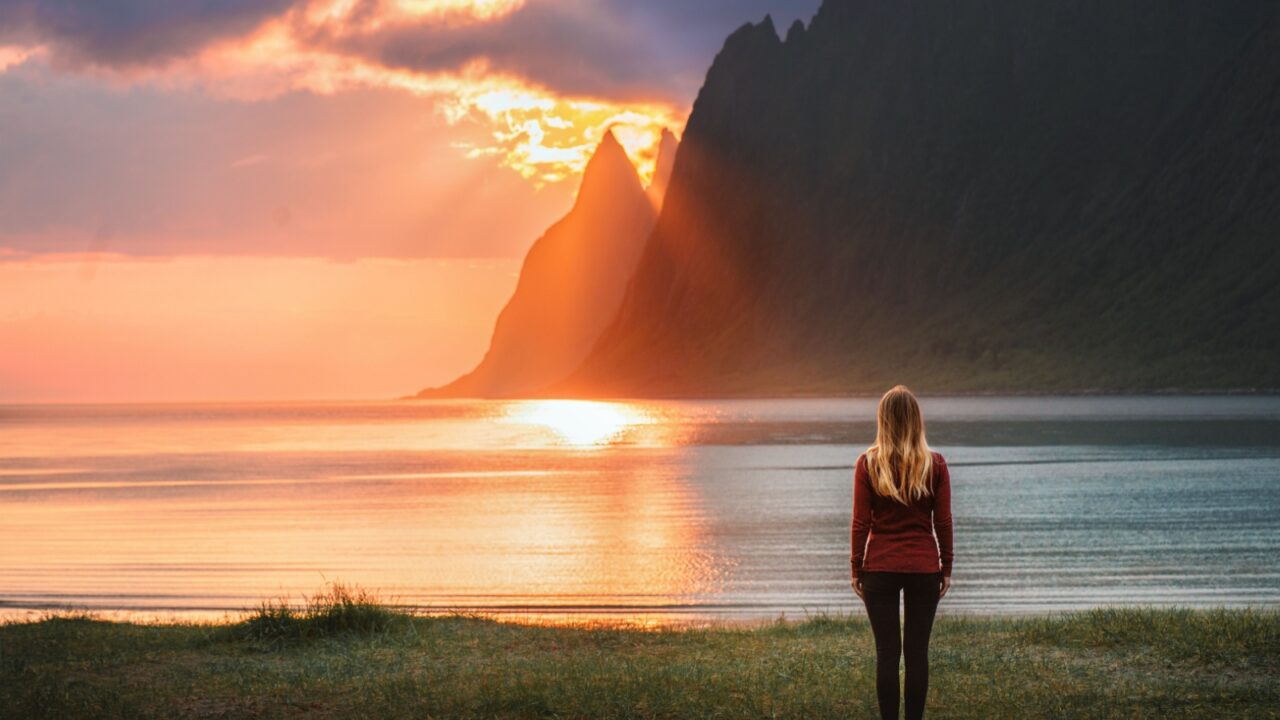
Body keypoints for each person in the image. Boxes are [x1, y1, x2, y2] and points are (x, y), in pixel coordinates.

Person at [851, 385, 954, 720]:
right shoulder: (935, 464)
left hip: (879, 568)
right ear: (916, 421)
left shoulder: (868, 464)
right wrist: (946, 566)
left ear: (883, 421)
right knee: (916, 654)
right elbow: (943, 521)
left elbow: (860, 523)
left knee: (887, 653)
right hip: (924, 568)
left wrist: (856, 568)